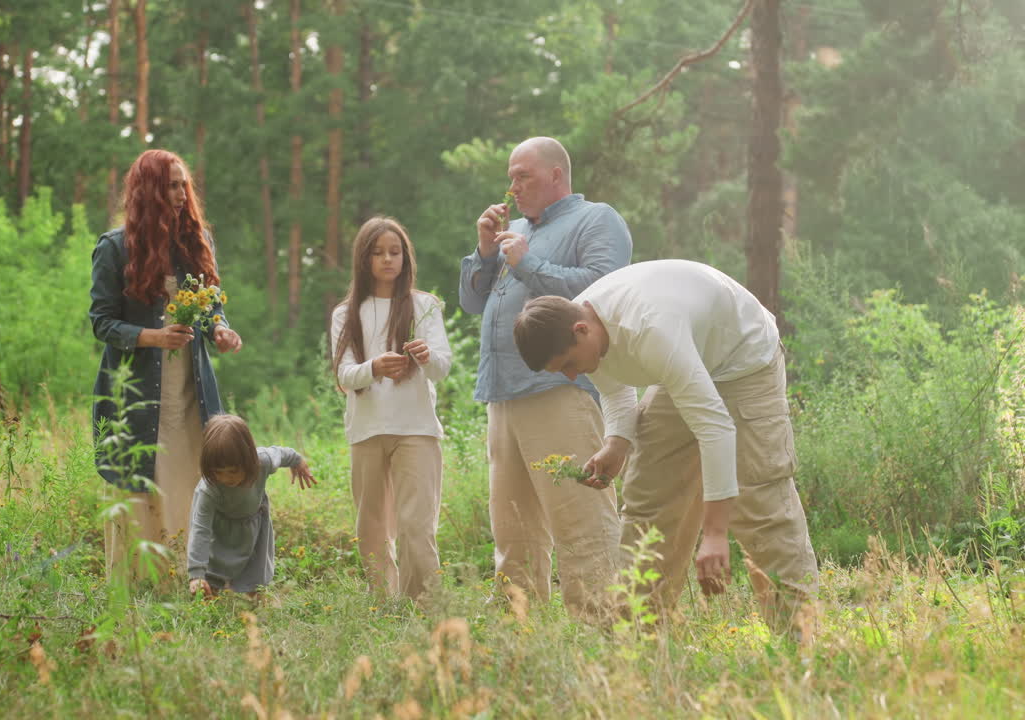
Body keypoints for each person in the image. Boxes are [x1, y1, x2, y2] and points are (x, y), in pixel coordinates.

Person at [512, 259, 820, 633]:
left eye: (569, 364)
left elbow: (715, 428)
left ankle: (799, 644)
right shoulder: (578, 324)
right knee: (648, 500)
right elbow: (616, 386)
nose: (572, 375)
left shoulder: (650, 329)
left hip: (743, 361)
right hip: (686, 360)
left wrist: (715, 534)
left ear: (581, 329)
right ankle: (642, 644)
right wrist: (617, 443)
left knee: (759, 501)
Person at [457, 136, 631, 617]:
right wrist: (485, 251)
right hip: (502, 393)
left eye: (523, 176)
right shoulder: (511, 229)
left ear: (556, 174)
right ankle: (519, 630)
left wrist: (527, 263)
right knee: (512, 529)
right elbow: (471, 303)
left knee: (581, 517)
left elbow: (604, 289)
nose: (512, 187)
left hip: (561, 387)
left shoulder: (596, 219)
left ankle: (602, 626)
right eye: (510, 176)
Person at [90, 149, 244, 581]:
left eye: (184, 185)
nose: (180, 194)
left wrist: (220, 329)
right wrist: (154, 338)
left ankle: (191, 582)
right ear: (149, 191)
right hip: (135, 398)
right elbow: (101, 322)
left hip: (190, 395)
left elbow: (211, 304)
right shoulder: (114, 248)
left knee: (193, 485)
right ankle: (139, 589)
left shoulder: (198, 243)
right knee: (138, 488)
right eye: (171, 185)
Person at [330, 217, 452, 599]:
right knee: (371, 527)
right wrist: (375, 368)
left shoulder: (424, 305)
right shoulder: (346, 312)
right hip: (367, 431)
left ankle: (424, 607)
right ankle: (383, 605)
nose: (387, 260)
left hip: (416, 429)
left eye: (395, 252)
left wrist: (426, 354)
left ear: (406, 257)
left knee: (417, 525)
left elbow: (442, 368)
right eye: (378, 253)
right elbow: (345, 374)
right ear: (364, 259)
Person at [187, 414, 316, 597]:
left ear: (249, 461)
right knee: (212, 576)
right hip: (221, 530)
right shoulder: (209, 490)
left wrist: (298, 462)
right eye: (218, 472)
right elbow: (200, 530)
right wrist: (196, 574)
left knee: (255, 574)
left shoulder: (262, 461)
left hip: (253, 526)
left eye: (233, 471)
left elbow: (282, 453)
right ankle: (209, 608)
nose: (226, 478)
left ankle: (258, 606)